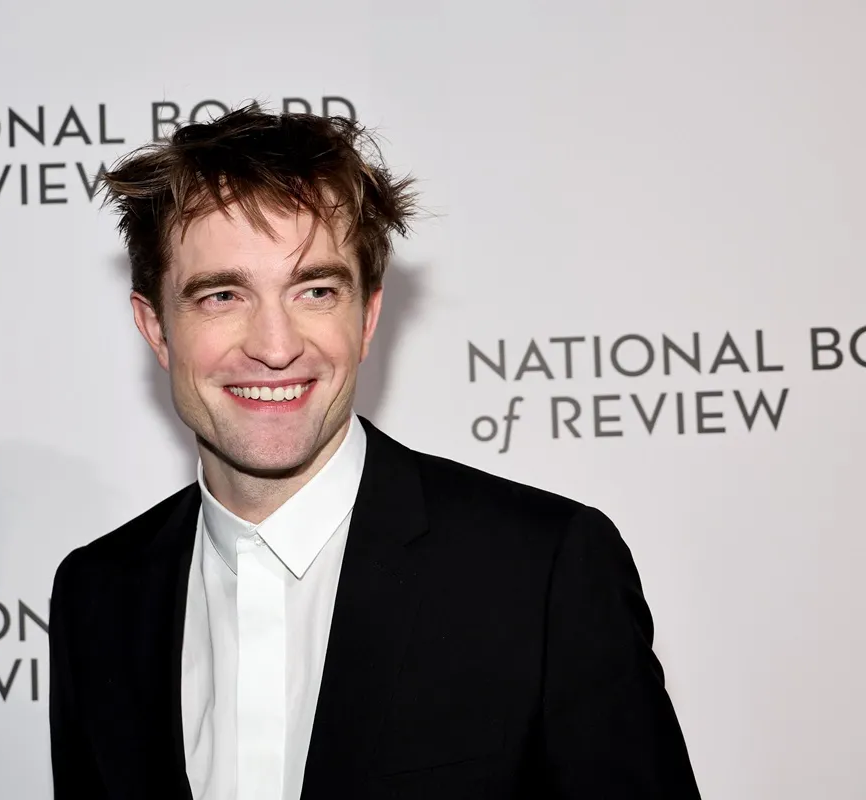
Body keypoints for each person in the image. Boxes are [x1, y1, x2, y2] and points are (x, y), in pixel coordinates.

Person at [48, 104, 701, 799]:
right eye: (222, 296)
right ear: (156, 328)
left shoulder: (542, 573)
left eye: (316, 291)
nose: (275, 346)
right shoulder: (98, 596)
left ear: (367, 317)